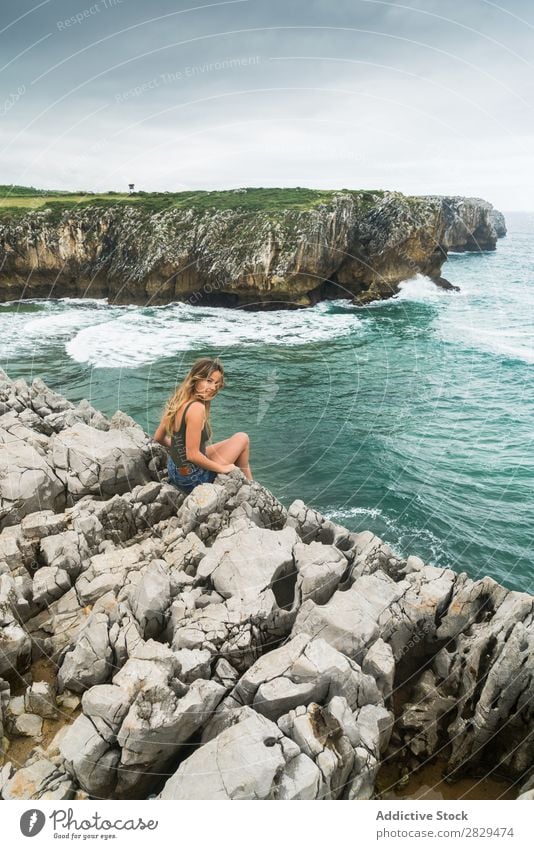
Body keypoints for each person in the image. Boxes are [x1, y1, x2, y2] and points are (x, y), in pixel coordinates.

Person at [153, 357, 252, 494]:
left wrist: (179, 450)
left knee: (233, 442)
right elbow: (192, 455)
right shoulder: (196, 409)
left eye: (216, 383)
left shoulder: (178, 400)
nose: (212, 388)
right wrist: (222, 468)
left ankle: (250, 485)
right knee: (243, 438)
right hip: (193, 479)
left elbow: (158, 437)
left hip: (175, 470)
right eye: (209, 381)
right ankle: (252, 488)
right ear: (196, 378)